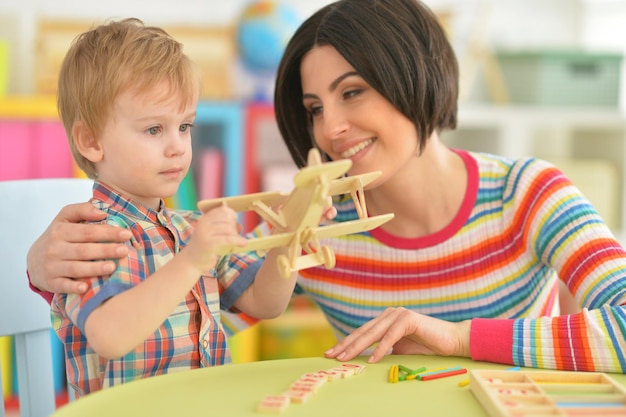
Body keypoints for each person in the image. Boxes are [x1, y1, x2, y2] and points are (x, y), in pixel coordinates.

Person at [29, 0, 626, 374]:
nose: (330, 128)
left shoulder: (530, 193)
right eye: (313, 107)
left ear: (416, 77)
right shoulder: (318, 220)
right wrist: (39, 270)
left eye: (354, 91)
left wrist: (455, 338)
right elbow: (184, 313)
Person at [47, 18, 305, 397]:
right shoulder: (91, 237)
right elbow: (110, 336)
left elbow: (265, 303)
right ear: (90, 141)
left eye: (185, 126)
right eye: (154, 129)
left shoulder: (190, 228)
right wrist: (192, 261)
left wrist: (290, 236)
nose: (178, 147)